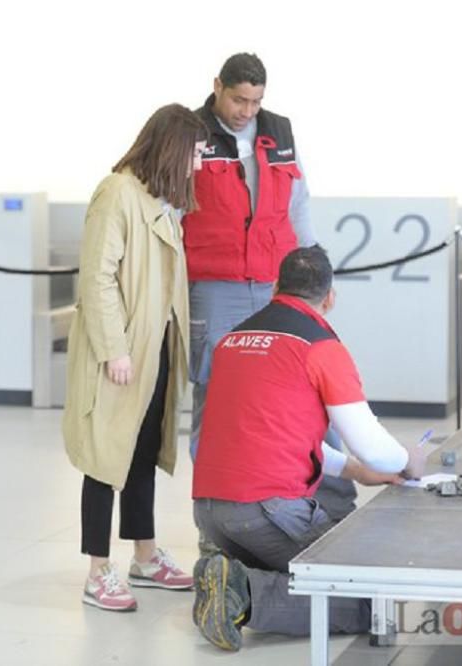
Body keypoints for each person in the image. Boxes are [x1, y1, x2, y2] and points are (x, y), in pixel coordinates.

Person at [189, 246, 425, 650]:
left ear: (276, 287)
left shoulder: (232, 340)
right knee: (373, 603)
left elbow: (268, 434)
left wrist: (352, 471)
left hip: (210, 512)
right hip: (268, 512)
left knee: (304, 574)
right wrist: (408, 460)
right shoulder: (321, 346)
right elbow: (372, 445)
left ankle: (230, 576)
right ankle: (246, 593)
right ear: (330, 297)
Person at [183, 52, 357, 534]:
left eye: (255, 101)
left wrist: (319, 278)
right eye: (238, 99)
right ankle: (215, 532)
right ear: (217, 86)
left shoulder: (278, 130)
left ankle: (331, 516)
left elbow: (298, 205)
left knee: (307, 392)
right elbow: (174, 211)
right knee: (216, 396)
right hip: (216, 287)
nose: (246, 110)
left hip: (279, 284)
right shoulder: (190, 133)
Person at [62, 104, 209, 612]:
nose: (199, 163)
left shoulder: (161, 200)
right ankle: (97, 571)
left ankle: (145, 556)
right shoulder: (117, 193)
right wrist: (114, 349)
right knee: (106, 454)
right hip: (122, 354)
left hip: (156, 349)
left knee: (143, 450)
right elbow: (98, 276)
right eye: (194, 151)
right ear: (171, 148)